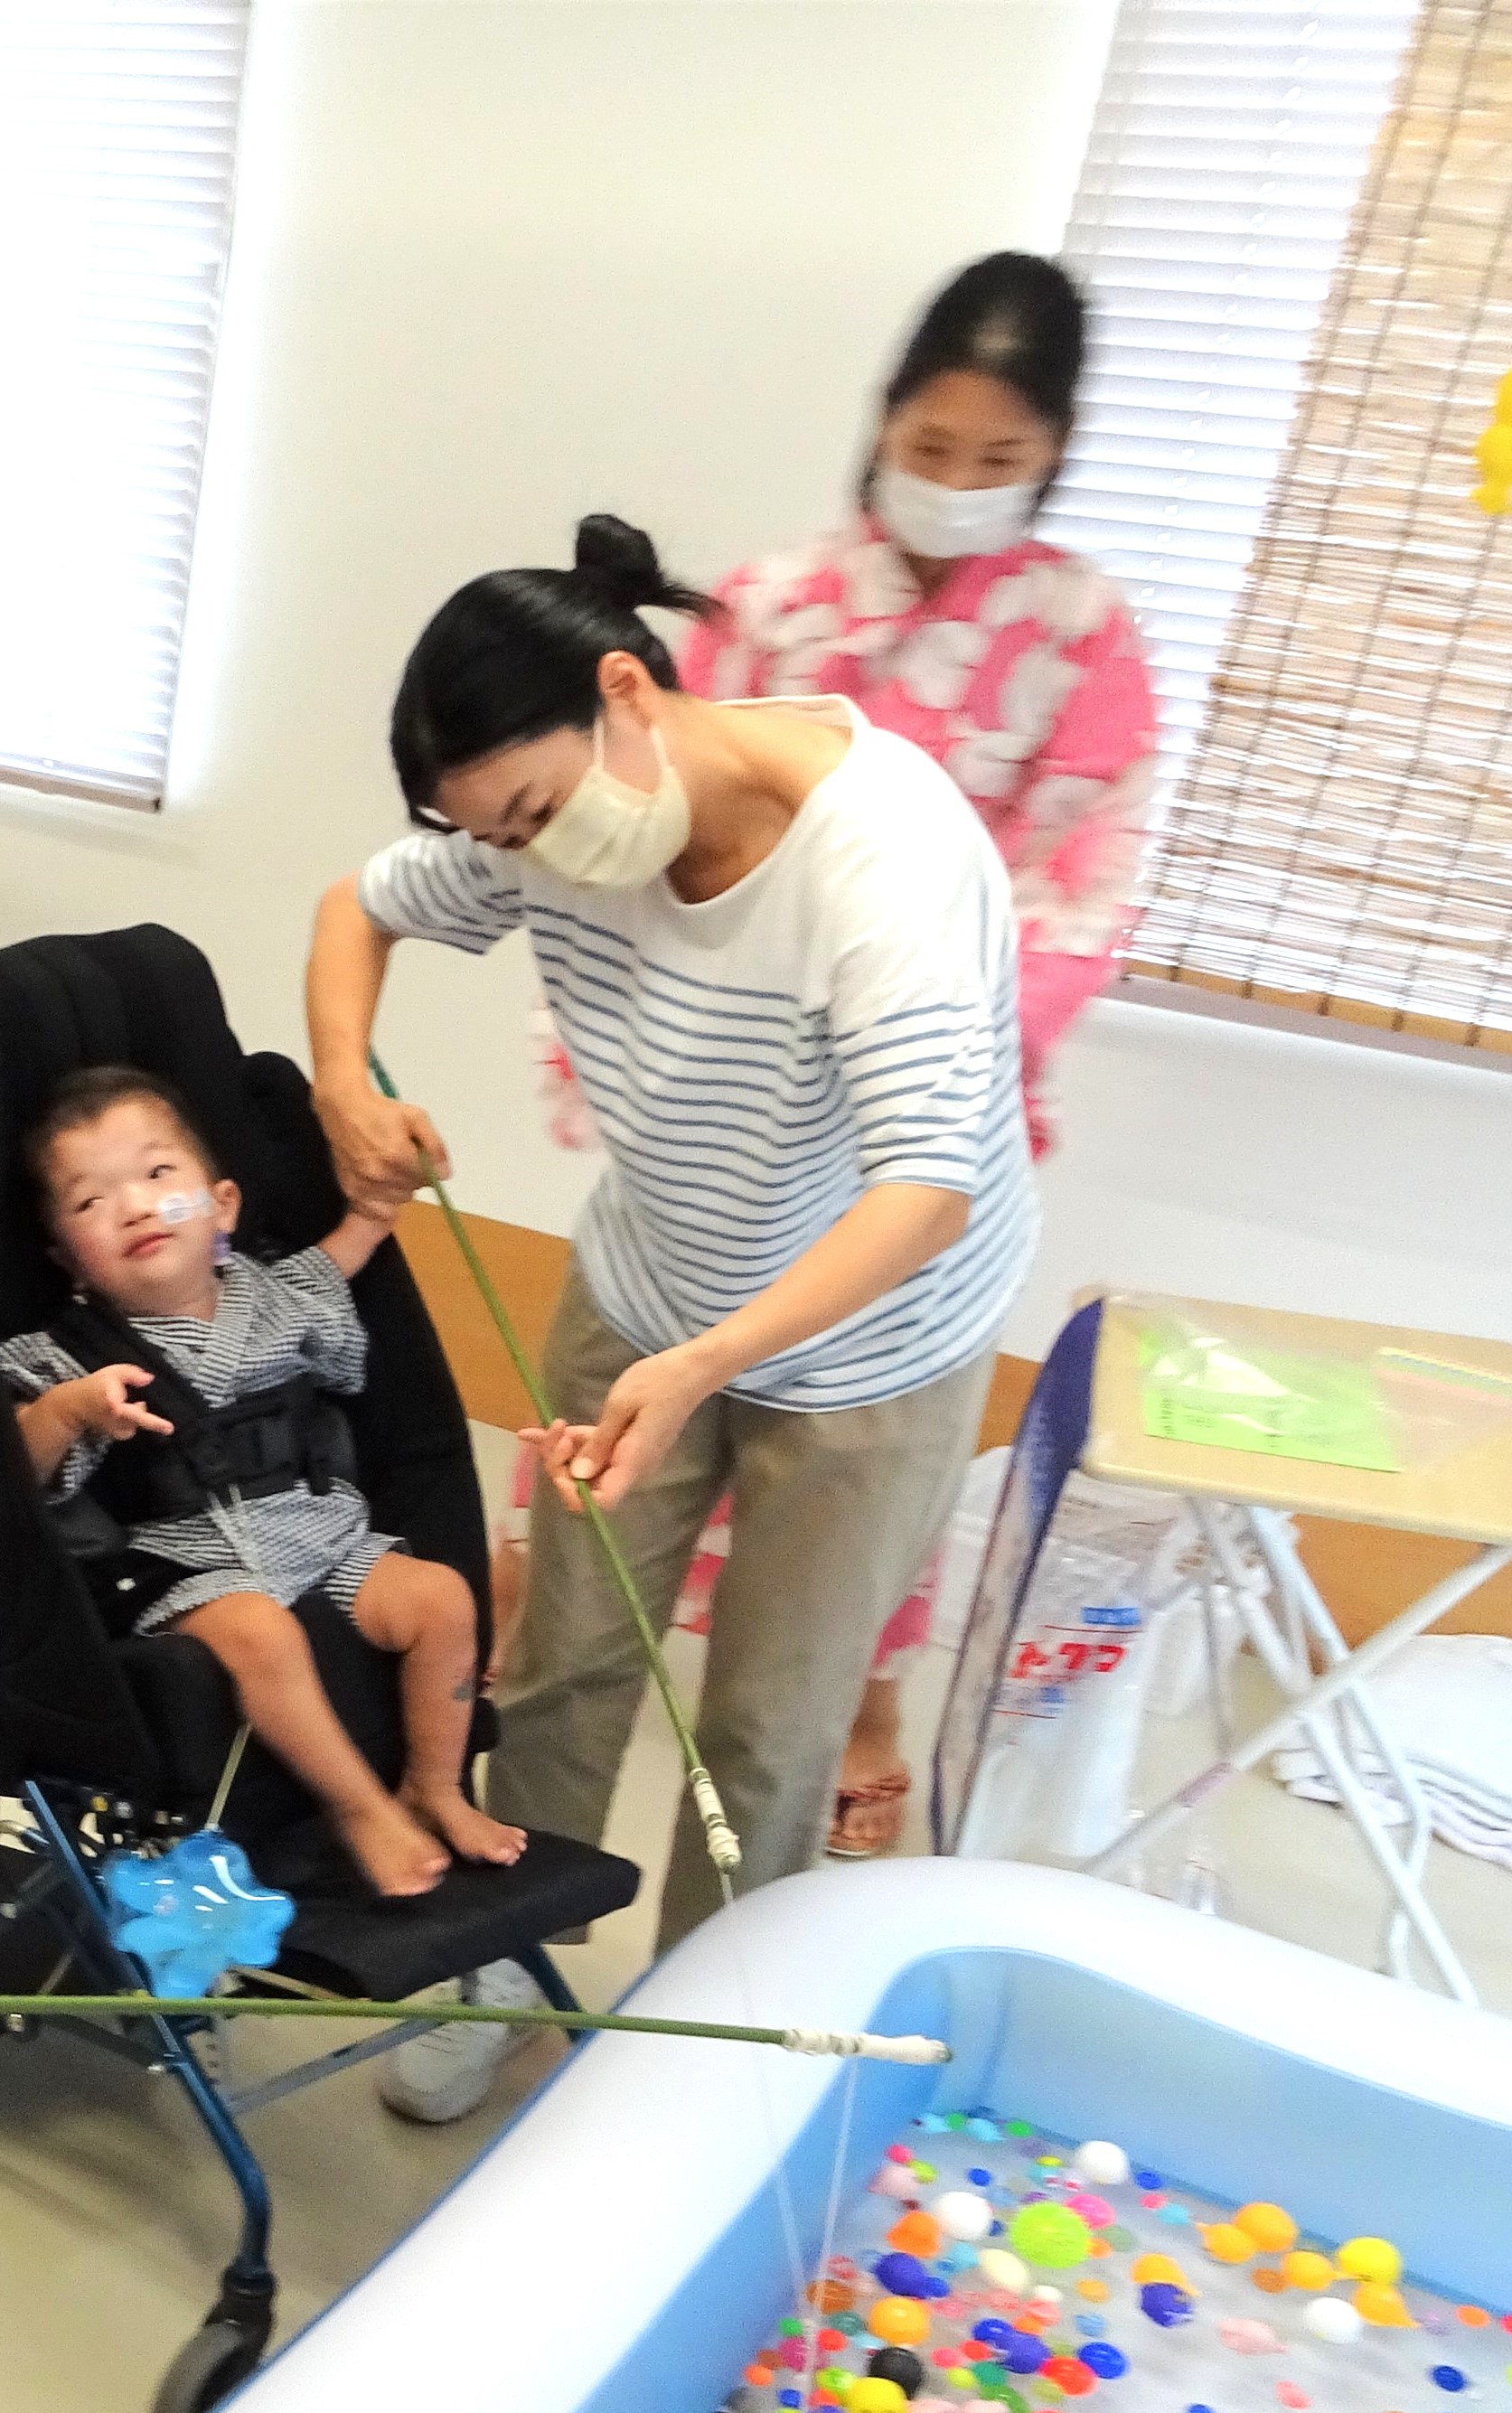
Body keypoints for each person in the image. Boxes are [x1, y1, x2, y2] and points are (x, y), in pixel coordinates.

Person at [309, 514, 1031, 1957]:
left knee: (769, 1720)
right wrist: (343, 1083)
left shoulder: (882, 861)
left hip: (872, 1348)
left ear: (629, 694)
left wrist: (715, 1362)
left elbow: (927, 1188)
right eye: (496, 836)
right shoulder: (543, 834)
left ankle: (698, 2020)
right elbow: (357, 905)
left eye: (531, 812)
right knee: (569, 1660)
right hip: (646, 1289)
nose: (528, 858)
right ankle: (514, 1959)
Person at [670, 253, 1155, 1853]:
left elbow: (1083, 877)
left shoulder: (1083, 634)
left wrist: (925, 1034)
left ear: (1055, 454)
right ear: (886, 424)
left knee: (864, 1454)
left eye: (999, 461)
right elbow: (666, 810)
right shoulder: (772, 602)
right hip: (738, 1085)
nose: (956, 484)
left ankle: (852, 1706)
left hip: (925, 1107)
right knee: (665, 1404)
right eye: (933, 448)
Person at [0, 1065, 512, 1898]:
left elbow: (346, 1252)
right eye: (92, 1201)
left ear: (222, 1206)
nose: (136, 1206)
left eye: (161, 1175)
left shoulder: (282, 1295)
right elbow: (5, 1471)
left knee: (444, 1597)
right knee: (262, 1632)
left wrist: (379, 1208)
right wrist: (70, 1410)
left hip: (318, 1532)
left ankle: (436, 1786)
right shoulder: (66, 1355)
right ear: (67, 1257)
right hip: (186, 1562)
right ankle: (360, 1807)